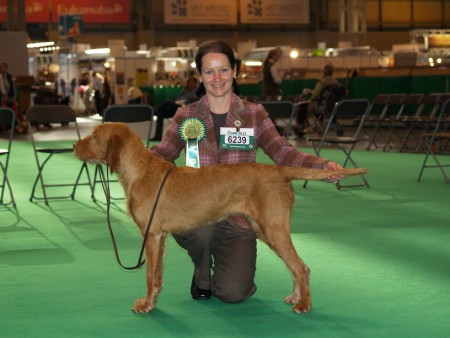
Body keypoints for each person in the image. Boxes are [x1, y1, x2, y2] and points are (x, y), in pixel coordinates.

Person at [150, 40, 344, 304]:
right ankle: (202, 273)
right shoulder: (186, 115)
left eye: (223, 70)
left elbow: (282, 152)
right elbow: (163, 153)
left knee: (232, 293)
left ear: (234, 71)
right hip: (197, 212)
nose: (217, 78)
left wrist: (320, 166)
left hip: (239, 219)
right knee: (200, 234)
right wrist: (130, 155)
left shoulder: (253, 113)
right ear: (200, 76)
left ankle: (233, 275)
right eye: (209, 71)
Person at [294, 62, 344, 136]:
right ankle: (317, 124)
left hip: (321, 105)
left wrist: (310, 98)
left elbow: (315, 95)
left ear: (324, 71)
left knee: (302, 105)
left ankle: (299, 125)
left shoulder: (322, 82)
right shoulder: (335, 82)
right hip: (332, 106)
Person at [151, 77, 200, 141]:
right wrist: (183, 93)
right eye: (189, 83)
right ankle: (158, 136)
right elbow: (177, 99)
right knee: (160, 114)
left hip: (187, 109)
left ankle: (154, 111)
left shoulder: (197, 91)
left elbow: (197, 101)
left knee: (167, 102)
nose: (190, 84)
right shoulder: (184, 90)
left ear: (195, 83)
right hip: (178, 107)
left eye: (192, 83)